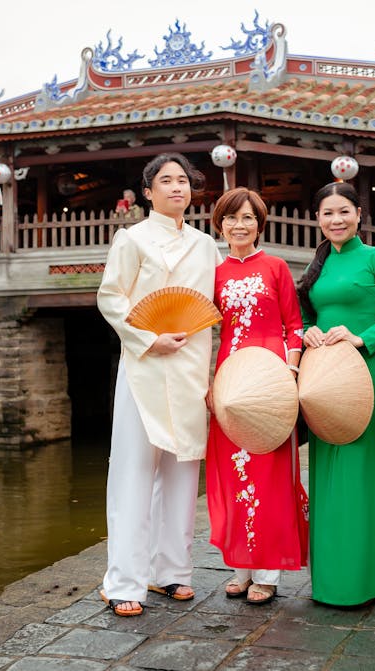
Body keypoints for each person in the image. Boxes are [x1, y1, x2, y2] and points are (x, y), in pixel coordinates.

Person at [96, 153, 222, 617]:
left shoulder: (206, 245)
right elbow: (111, 298)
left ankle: (171, 572)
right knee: (132, 472)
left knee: (183, 473)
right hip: (145, 366)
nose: (177, 188)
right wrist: (149, 338)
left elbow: (210, 304)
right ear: (147, 192)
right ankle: (123, 581)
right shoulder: (131, 239)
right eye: (165, 181)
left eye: (183, 181)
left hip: (189, 367)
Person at [297, 181, 375, 606]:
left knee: (363, 474)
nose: (336, 220)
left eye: (343, 211)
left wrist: (361, 339)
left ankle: (368, 579)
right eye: (327, 213)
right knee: (325, 475)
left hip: (363, 371)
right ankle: (331, 582)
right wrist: (308, 330)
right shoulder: (318, 264)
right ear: (318, 219)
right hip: (323, 376)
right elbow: (308, 311)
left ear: (359, 214)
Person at [206, 187, 309, 606]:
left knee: (269, 474)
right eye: (231, 219)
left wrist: (290, 372)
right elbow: (202, 329)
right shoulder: (214, 273)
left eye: (248, 218)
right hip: (230, 378)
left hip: (271, 377)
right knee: (233, 472)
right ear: (220, 225)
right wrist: (210, 385)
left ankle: (268, 573)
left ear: (259, 223)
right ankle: (241, 569)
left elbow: (294, 326)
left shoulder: (276, 267)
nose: (239, 225)